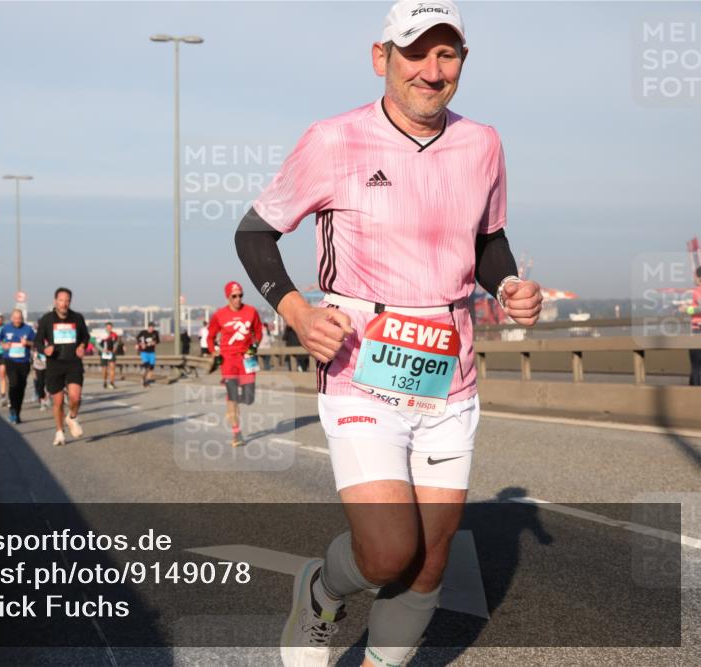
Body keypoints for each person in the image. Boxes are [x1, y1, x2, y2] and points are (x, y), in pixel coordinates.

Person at [233, 2, 544, 664]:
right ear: (382, 58)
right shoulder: (332, 139)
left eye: (448, 54)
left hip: (448, 374)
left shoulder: (482, 142)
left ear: (462, 61)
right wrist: (296, 312)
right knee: (386, 550)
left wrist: (507, 282)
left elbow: (487, 237)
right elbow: (254, 231)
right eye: (416, 53)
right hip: (358, 370)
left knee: (430, 564)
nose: (432, 71)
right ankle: (320, 593)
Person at [206, 281, 263, 447]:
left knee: (249, 398)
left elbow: (258, 332)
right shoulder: (219, 315)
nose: (238, 299)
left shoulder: (251, 311)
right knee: (232, 396)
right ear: (228, 297)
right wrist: (214, 352)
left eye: (240, 295)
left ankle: (233, 403)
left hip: (247, 359)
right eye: (234, 296)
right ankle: (236, 432)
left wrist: (254, 347)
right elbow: (210, 337)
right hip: (228, 359)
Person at [36, 287, 90, 446]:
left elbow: (85, 336)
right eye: (61, 300)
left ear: (70, 302)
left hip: (73, 362)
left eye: (67, 301)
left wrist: (82, 346)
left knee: (75, 396)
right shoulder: (46, 320)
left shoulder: (77, 318)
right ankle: (59, 432)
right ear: (55, 301)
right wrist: (45, 349)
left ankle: (72, 417)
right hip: (55, 363)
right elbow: (38, 341)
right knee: (58, 401)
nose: (64, 304)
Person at [0, 309, 36, 424]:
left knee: (21, 387)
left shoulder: (28, 329)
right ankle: (12, 410)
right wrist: (3, 344)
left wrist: (27, 343)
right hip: (10, 360)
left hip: (24, 362)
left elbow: (36, 342)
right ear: (12, 318)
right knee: (13, 384)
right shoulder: (6, 328)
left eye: (19, 318)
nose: (17, 320)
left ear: (22, 318)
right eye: (15, 318)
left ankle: (17, 412)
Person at [682, 265, 701, 385]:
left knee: (696, 366)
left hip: (698, 330)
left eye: (695, 275)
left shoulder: (697, 291)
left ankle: (695, 394)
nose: (693, 278)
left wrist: (687, 309)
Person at [136, 322, 161, 387]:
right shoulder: (143, 332)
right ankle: (144, 380)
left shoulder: (155, 333)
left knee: (151, 367)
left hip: (152, 352)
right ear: (148, 327)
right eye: (151, 327)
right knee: (146, 366)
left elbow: (158, 341)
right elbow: (137, 339)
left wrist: (154, 342)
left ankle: (147, 380)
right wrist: (141, 344)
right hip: (144, 352)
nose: (152, 329)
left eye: (153, 327)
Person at [99, 322, 119, 389]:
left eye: (110, 327)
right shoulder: (102, 335)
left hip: (111, 353)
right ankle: (104, 381)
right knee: (105, 370)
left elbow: (116, 342)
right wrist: (102, 350)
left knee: (112, 368)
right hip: (104, 353)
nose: (109, 329)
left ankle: (112, 383)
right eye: (108, 327)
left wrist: (115, 348)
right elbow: (96, 344)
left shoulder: (114, 335)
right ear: (106, 327)